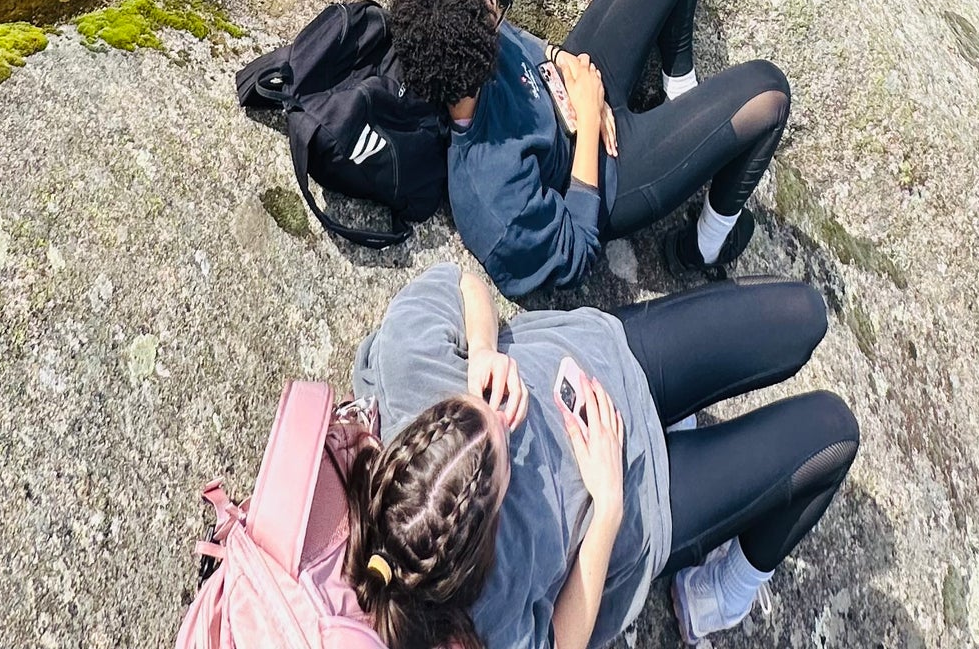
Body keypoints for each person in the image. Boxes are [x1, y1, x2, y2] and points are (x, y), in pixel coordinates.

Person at [349, 259, 859, 649]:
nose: (508, 413)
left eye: (475, 403)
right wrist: (607, 508)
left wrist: (483, 349)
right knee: (833, 433)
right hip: (644, 501)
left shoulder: (404, 365)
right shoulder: (484, 609)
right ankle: (722, 593)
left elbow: (462, 284)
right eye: (507, 452)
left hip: (612, 353)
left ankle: (670, 417)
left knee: (805, 314)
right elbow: (560, 641)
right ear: (489, 531)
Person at [389, 0, 791, 296]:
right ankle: (704, 246)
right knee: (769, 93)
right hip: (609, 175)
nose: (495, 4)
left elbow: (517, 40)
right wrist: (587, 119)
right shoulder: (491, 193)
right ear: (481, 56)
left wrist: (562, 60)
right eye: (495, 10)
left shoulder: (455, 35)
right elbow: (576, 252)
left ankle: (679, 92)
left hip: (578, 83)